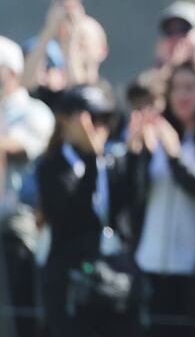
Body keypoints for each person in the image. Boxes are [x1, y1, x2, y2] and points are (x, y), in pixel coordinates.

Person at [36, 85, 142, 337]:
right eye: (92, 118)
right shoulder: (51, 166)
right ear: (64, 121)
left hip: (110, 275)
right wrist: (92, 158)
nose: (99, 127)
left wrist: (136, 157)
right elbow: (75, 211)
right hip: (70, 277)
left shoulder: (113, 161)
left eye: (106, 119)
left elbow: (130, 204)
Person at [127, 62, 195, 337]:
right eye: (177, 88)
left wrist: (175, 157)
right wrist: (137, 154)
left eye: (190, 88)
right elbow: (135, 195)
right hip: (149, 262)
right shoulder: (158, 135)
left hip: (192, 268)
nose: (182, 95)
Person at [0, 36, 55, 336]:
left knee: (20, 319)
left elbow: (12, 147)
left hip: (17, 226)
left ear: (9, 72)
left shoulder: (34, 112)